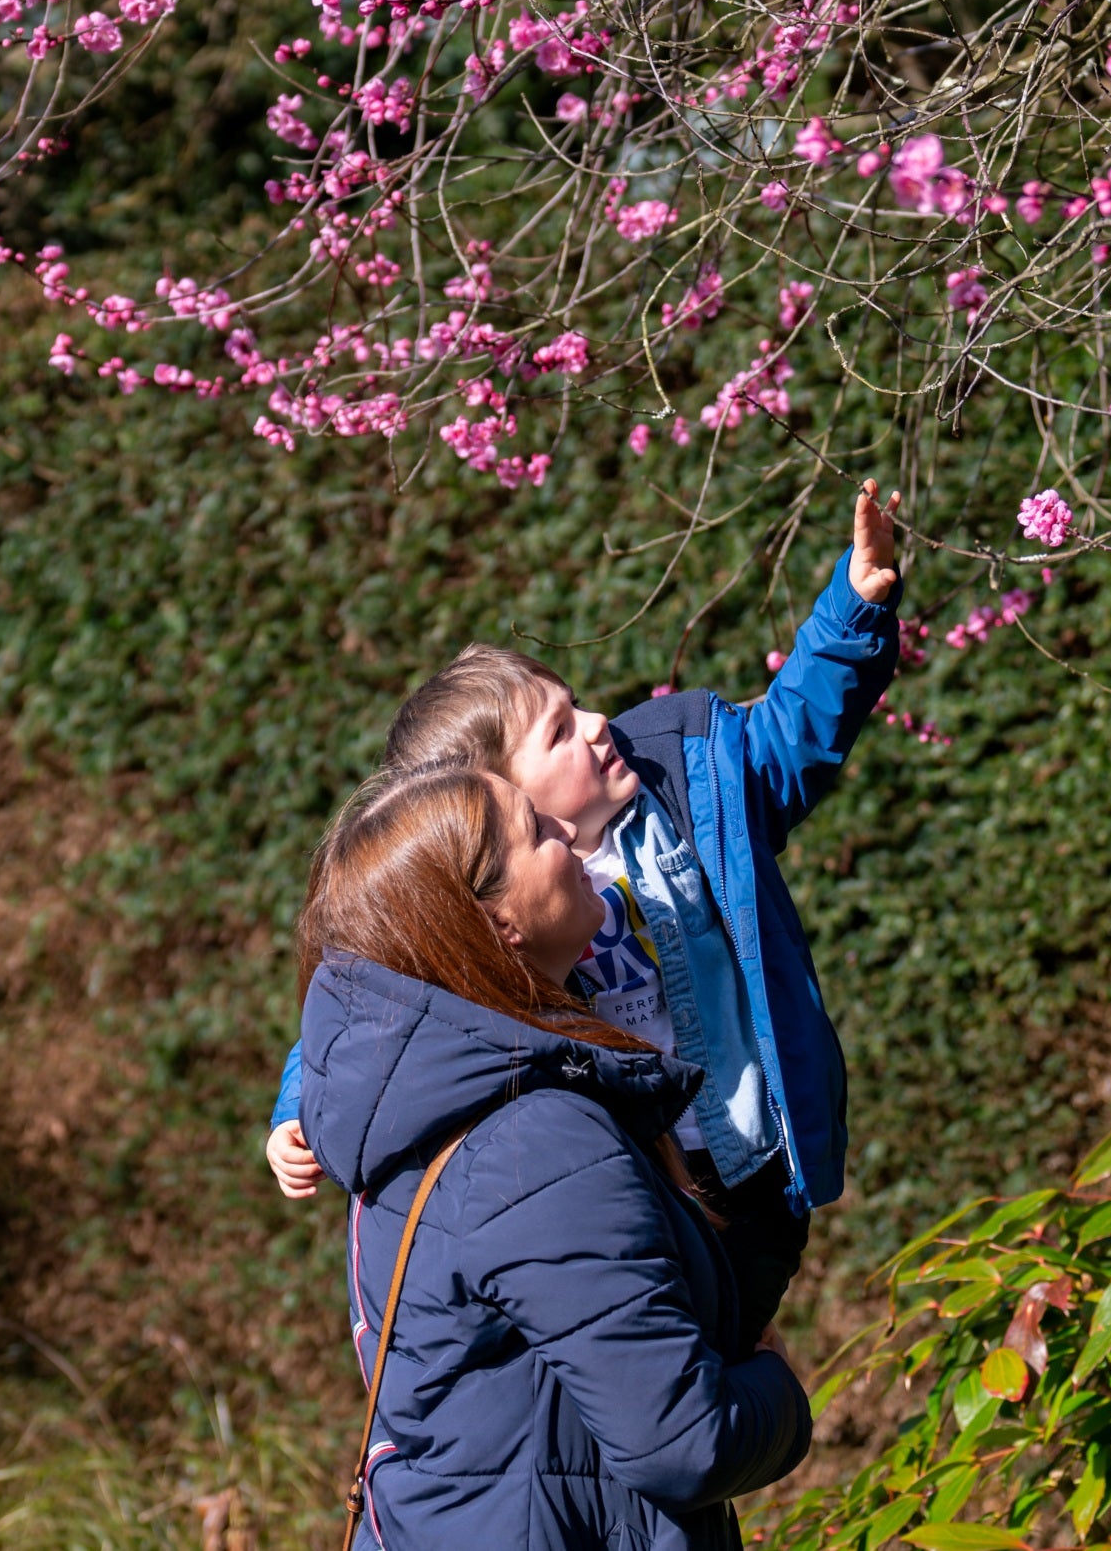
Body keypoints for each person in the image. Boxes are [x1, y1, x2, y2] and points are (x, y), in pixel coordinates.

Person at [269, 479, 903, 1352]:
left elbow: (790, 738)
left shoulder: (687, 779)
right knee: (642, 1353)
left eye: (578, 706)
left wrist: (854, 610)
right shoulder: (480, 901)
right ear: (499, 797)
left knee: (728, 1348)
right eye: (561, 733)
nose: (602, 724)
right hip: (633, 1179)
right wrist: (295, 1112)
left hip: (746, 1162)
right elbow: (379, 999)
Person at [296, 764, 811, 1551]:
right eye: (537, 830)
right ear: (497, 923)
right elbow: (681, 1444)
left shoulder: (412, 1112)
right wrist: (777, 1386)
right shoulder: (534, 1143)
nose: (569, 833)